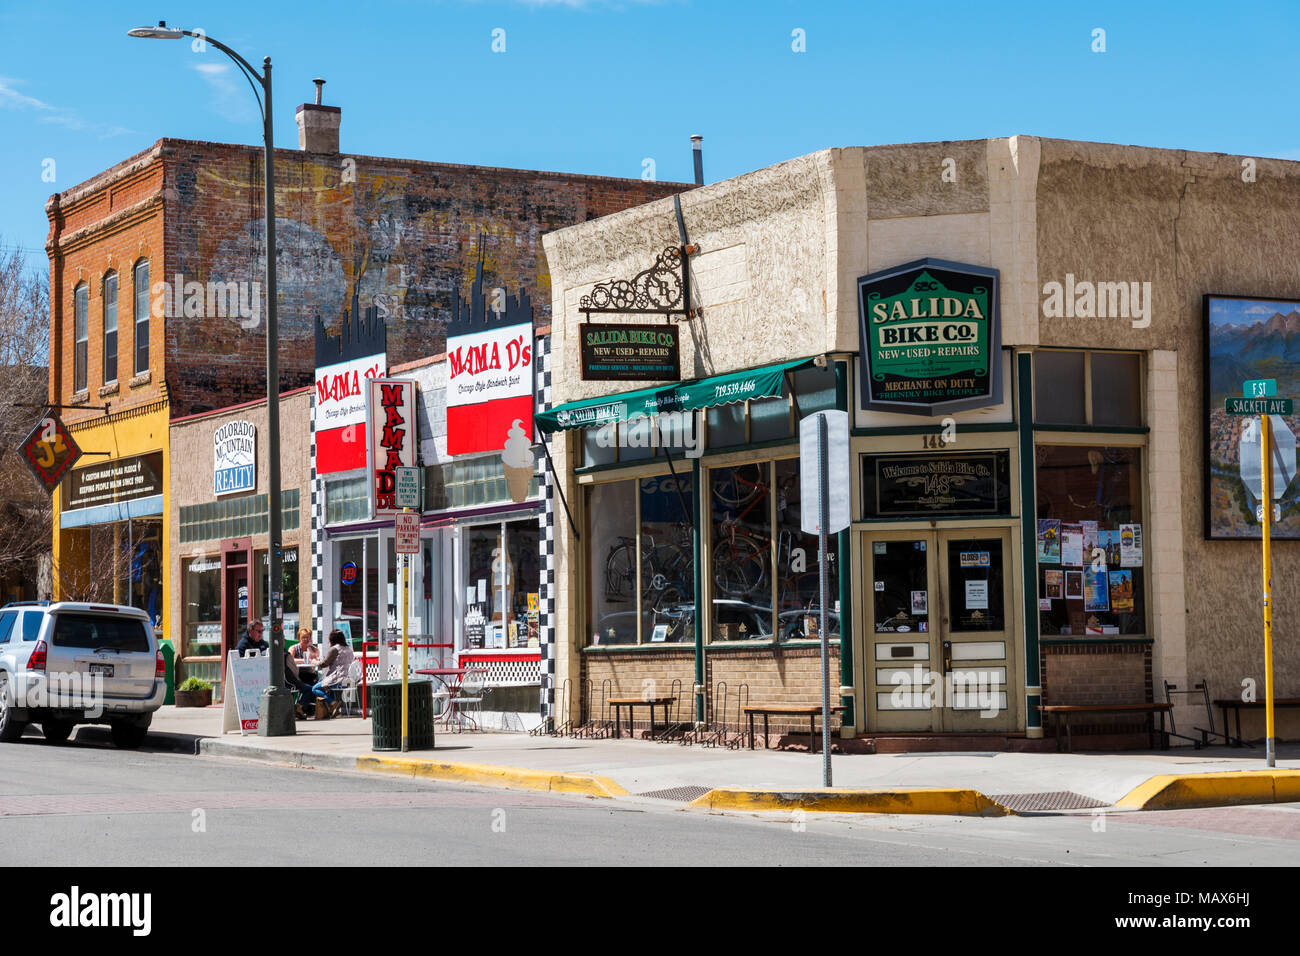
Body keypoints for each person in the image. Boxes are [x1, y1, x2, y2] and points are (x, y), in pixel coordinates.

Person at [307, 629, 355, 719]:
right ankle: (332, 709)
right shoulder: (349, 649)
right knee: (327, 687)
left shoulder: (334, 649)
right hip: (348, 680)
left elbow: (324, 664)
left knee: (315, 688)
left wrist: (314, 661)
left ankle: (333, 703)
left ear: (332, 640)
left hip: (338, 679)